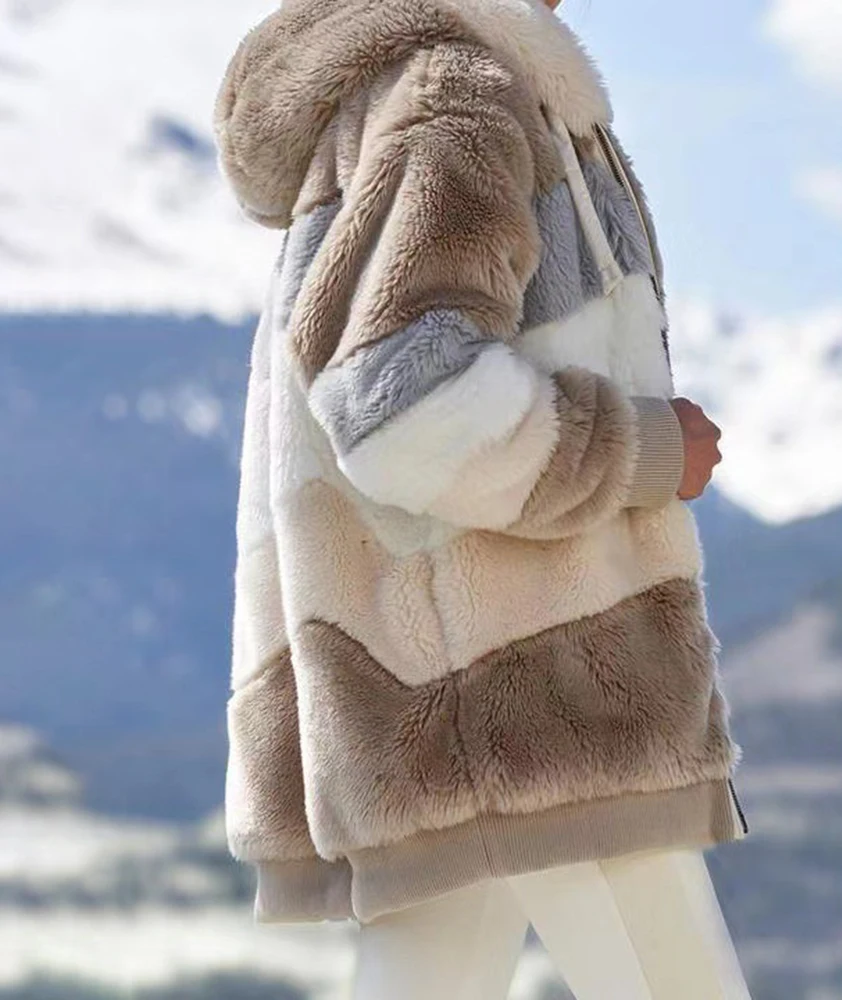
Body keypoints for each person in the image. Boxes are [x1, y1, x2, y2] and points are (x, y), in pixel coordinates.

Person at [214, 0, 751, 996]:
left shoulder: (436, 87)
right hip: (539, 704)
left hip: (442, 706)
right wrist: (640, 448)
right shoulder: (457, 96)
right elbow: (400, 403)